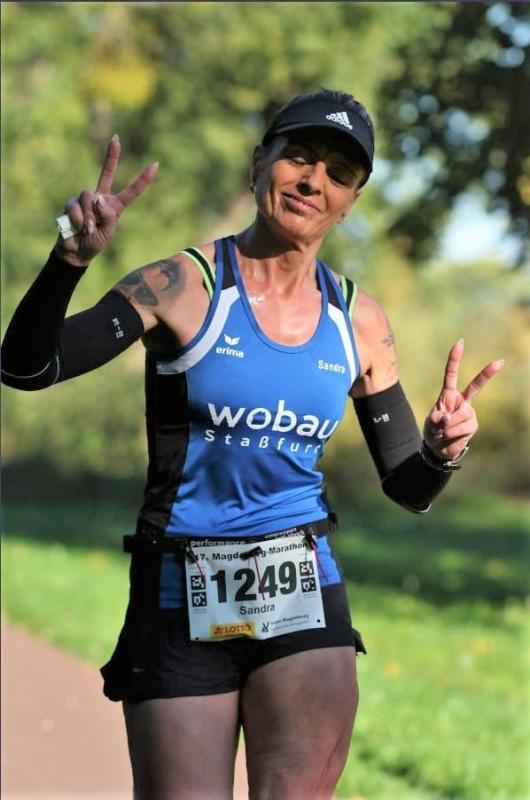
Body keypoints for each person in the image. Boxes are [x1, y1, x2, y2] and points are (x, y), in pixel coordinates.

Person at [1, 89, 503, 800]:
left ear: (350, 202)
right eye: (299, 157)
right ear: (259, 161)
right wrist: (68, 261)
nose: (313, 181)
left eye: (338, 173)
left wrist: (443, 452)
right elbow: (27, 367)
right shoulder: (182, 285)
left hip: (303, 592)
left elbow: (408, 486)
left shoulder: (358, 319)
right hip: (178, 592)